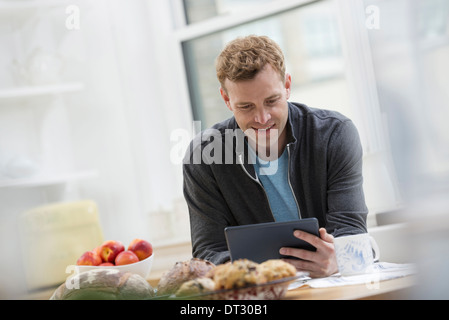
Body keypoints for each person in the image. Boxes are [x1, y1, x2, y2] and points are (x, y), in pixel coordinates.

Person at [183, 35, 368, 278]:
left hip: (331, 284)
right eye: (246, 106)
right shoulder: (204, 156)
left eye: (272, 101)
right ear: (226, 99)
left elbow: (351, 231)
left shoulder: (335, 134)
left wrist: (338, 258)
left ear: (287, 85)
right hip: (257, 292)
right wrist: (264, 274)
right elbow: (208, 252)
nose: (262, 118)